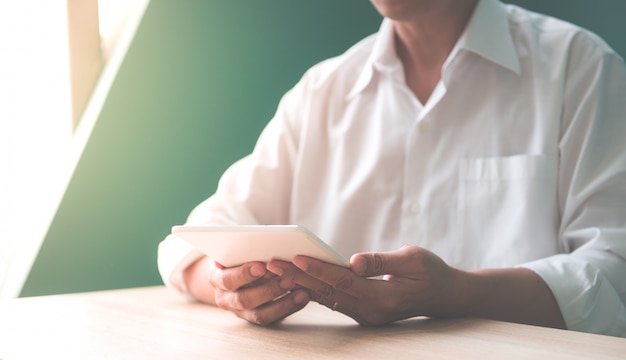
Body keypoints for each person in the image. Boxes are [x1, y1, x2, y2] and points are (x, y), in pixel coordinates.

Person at [158, 0, 626, 337]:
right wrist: (227, 287)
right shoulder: (323, 91)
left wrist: (459, 292)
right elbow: (190, 243)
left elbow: (614, 275)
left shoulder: (577, 68)